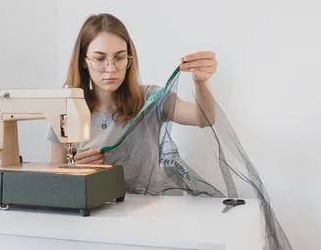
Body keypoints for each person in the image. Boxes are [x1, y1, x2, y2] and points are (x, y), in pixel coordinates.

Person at [45, 13, 217, 166]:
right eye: (100, 58)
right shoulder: (66, 111)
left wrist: (201, 82)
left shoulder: (149, 98)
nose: (111, 68)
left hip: (152, 202)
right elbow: (55, 180)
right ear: (84, 61)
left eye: (119, 57)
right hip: (96, 202)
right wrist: (75, 168)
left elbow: (204, 118)